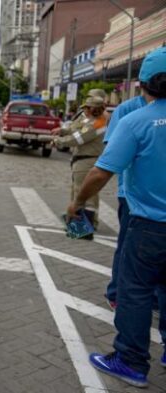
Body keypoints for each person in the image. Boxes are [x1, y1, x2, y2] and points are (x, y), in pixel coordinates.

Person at [65, 47, 166, 388]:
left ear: (142, 85)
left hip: (148, 224)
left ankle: (131, 361)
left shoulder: (136, 120)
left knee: (135, 292)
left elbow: (101, 172)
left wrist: (77, 203)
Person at [103, 90, 149, 310]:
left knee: (88, 209)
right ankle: (116, 291)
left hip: (90, 169)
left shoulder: (96, 122)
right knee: (126, 246)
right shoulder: (124, 111)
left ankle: (81, 230)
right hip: (90, 170)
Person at [53, 94, 108, 231]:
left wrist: (57, 141)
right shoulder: (94, 121)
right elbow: (77, 131)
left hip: (86, 161)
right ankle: (79, 224)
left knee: (83, 194)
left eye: (87, 108)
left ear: (92, 109)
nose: (85, 111)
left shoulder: (96, 124)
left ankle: (81, 228)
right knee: (81, 192)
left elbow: (78, 138)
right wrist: (63, 131)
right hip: (84, 160)